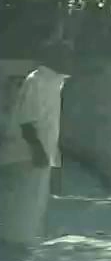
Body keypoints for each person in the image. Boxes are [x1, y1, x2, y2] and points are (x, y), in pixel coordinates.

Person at [0, 65, 68, 247]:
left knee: (33, 203)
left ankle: (23, 243)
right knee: (21, 204)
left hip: (39, 155)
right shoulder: (37, 81)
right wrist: (38, 150)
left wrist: (52, 156)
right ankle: (15, 244)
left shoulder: (55, 82)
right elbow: (26, 122)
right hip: (27, 155)